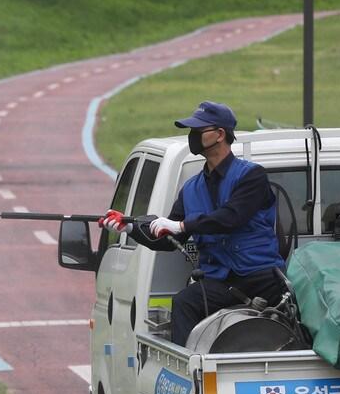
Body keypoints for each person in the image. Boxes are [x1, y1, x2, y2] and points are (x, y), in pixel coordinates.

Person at [99, 101, 285, 347]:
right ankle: (189, 373)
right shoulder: (190, 189)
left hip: (260, 278)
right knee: (185, 302)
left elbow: (232, 217)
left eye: (199, 130)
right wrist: (130, 228)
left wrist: (183, 226)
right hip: (220, 282)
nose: (192, 136)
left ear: (220, 134)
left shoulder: (252, 176)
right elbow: (167, 239)